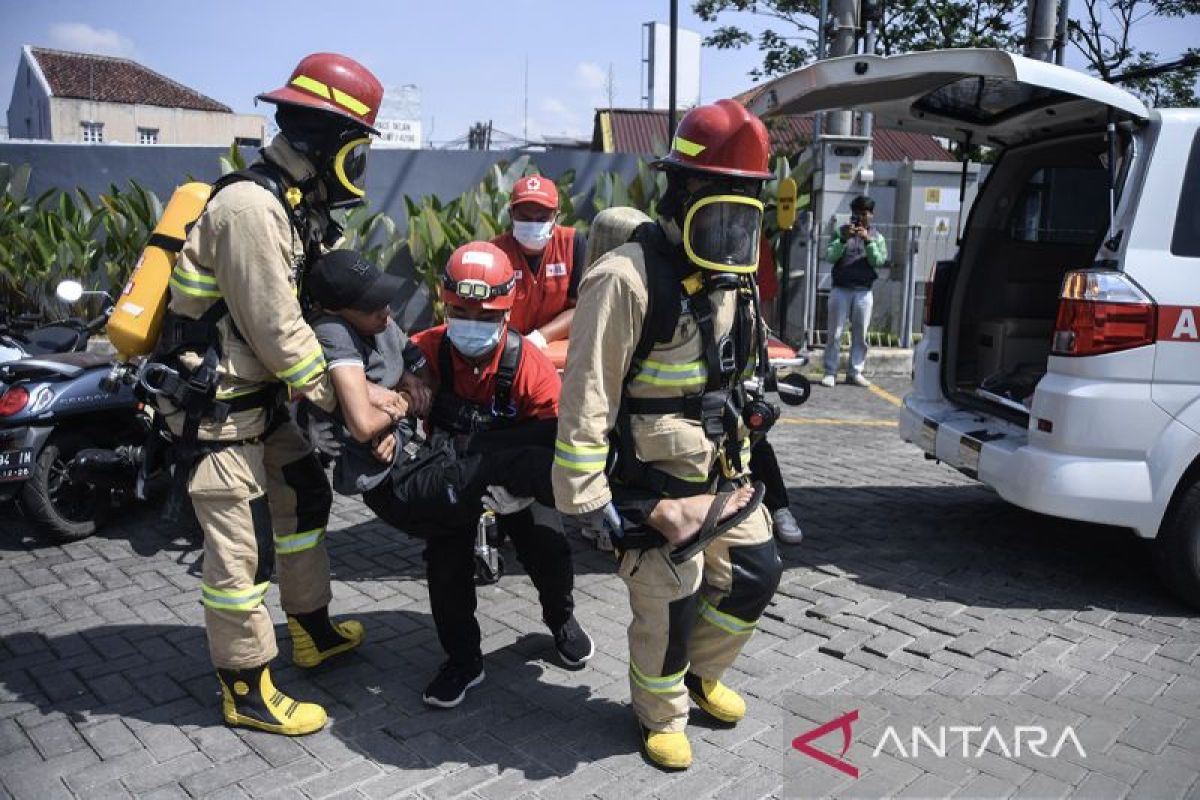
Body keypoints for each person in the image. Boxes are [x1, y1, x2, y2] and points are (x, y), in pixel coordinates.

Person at [151, 53, 405, 736]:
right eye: (357, 146)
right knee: (240, 554)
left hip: (260, 405)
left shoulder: (301, 207)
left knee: (305, 500)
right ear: (326, 140)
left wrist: (389, 372)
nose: (360, 165)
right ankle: (245, 689)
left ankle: (311, 631)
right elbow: (277, 328)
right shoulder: (250, 208)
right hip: (218, 415)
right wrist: (344, 404)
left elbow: (335, 298)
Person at [552, 99, 784, 770]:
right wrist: (587, 496)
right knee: (670, 605)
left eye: (748, 197)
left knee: (755, 573)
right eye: (724, 194)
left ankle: (697, 675)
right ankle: (660, 712)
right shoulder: (624, 277)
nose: (737, 211)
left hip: (722, 471)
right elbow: (586, 395)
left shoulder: (733, 279)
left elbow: (746, 364)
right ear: (680, 190)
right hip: (650, 479)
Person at [351, 242, 594, 709]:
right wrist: (388, 425)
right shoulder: (424, 352)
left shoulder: (529, 364)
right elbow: (353, 382)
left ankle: (561, 621)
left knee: (547, 547)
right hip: (451, 475)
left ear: (506, 311)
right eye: (461, 312)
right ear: (445, 303)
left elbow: (556, 438)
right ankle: (463, 661)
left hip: (516, 476)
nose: (472, 325)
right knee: (445, 568)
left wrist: (520, 489)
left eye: (486, 316)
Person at [491, 175, 587, 348]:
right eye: (525, 218)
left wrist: (540, 337)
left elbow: (581, 307)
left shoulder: (572, 244)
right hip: (507, 349)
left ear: (555, 217)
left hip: (556, 349)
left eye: (542, 219)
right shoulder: (495, 251)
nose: (533, 224)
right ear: (511, 215)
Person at [821, 195, 888, 388]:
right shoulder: (841, 232)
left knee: (860, 334)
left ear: (871, 215)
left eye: (864, 214)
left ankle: (855, 371)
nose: (859, 218)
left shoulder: (877, 237)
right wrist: (843, 239)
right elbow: (830, 256)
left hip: (863, 292)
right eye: (856, 213)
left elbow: (878, 261)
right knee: (835, 333)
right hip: (840, 289)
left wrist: (868, 241)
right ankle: (830, 371)